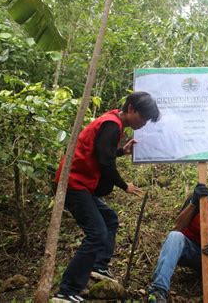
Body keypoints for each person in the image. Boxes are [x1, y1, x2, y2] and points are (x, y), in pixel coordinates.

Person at [53, 92, 160, 303]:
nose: (144, 123)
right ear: (131, 109)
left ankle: (98, 266)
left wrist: (120, 152)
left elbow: (102, 152)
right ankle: (66, 291)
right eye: (143, 118)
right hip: (73, 183)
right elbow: (104, 162)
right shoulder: (111, 125)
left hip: (81, 184)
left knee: (109, 220)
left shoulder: (112, 121)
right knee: (96, 233)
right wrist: (123, 185)